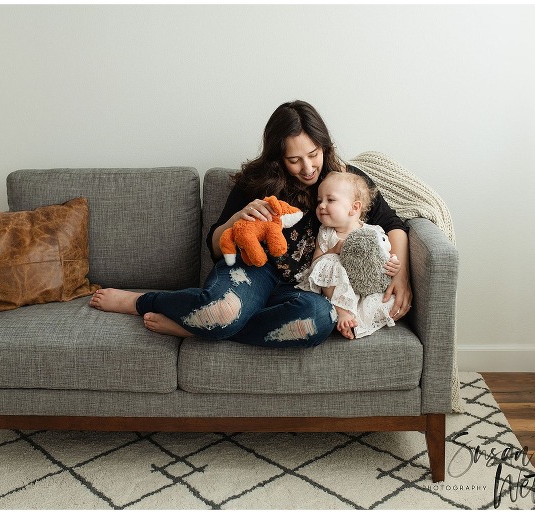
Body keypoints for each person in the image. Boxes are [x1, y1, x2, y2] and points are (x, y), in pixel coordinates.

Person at [90, 100, 413, 348]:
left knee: (319, 320)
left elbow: (393, 223)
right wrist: (235, 219)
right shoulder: (256, 183)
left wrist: (401, 276)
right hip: (253, 270)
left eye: (313, 154)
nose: (307, 167)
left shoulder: (344, 182)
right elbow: (216, 246)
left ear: (324, 147)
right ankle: (141, 301)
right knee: (222, 310)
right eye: (294, 159)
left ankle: (199, 329)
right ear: (278, 157)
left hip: (303, 286)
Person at [295, 170, 400, 339]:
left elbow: (384, 257)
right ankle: (343, 313)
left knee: (389, 300)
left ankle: (358, 321)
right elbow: (316, 264)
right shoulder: (326, 233)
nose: (321, 206)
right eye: (319, 201)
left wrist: (394, 264)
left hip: (365, 288)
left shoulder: (372, 232)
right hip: (337, 290)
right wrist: (335, 250)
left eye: (330, 200)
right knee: (329, 262)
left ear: (354, 207)